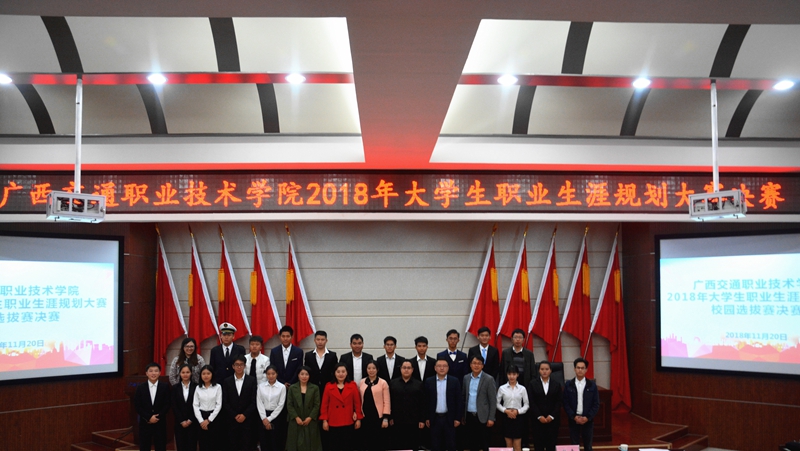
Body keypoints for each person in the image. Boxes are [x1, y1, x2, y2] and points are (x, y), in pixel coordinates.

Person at [320, 363, 364, 451]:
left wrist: (358, 419)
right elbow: (324, 405)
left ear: (347, 373)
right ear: (334, 373)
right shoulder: (328, 386)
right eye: (338, 372)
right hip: (333, 421)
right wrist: (324, 420)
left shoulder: (352, 385)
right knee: (334, 446)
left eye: (343, 372)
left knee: (347, 446)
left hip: (348, 420)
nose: (341, 374)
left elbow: (357, 403)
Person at [424, 358, 463, 451]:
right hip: (434, 418)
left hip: (449, 418)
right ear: (435, 368)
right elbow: (426, 401)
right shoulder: (429, 381)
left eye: (444, 366)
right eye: (439, 366)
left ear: (448, 368)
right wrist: (427, 417)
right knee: (435, 445)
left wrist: (458, 418)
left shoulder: (454, 381)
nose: (442, 368)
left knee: (451, 445)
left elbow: (459, 401)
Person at [222, 355, 258, 451]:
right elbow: (225, 402)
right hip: (231, 420)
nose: (239, 367)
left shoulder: (252, 380)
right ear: (233, 366)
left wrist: (244, 415)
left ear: (245, 366)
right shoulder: (227, 381)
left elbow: (254, 401)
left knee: (246, 445)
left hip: (247, 420)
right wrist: (235, 415)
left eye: (241, 364)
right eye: (236, 365)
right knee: (232, 445)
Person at [461, 355, 497, 451]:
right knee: (472, 444)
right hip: (469, 416)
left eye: (479, 363)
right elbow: (464, 397)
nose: (476, 365)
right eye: (474, 363)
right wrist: (463, 415)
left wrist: (491, 418)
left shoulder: (489, 379)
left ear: (482, 365)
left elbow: (493, 400)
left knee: (485, 444)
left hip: (483, 417)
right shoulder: (466, 378)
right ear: (470, 365)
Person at [563, 357, 599, 451]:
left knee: (588, 446)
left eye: (582, 368)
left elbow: (596, 404)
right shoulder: (569, 384)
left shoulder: (592, 385)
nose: (580, 370)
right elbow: (565, 403)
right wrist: (573, 416)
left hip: (587, 420)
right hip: (573, 420)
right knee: (574, 446)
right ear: (574, 369)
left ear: (586, 370)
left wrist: (588, 417)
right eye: (578, 368)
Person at [389, 360, 426, 451]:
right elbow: (390, 402)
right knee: (398, 445)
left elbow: (423, 403)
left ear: (412, 370)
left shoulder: (419, 384)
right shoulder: (393, 383)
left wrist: (422, 420)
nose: (406, 370)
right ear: (400, 369)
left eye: (409, 368)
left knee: (413, 445)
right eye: (404, 368)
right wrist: (390, 417)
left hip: (414, 421)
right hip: (397, 420)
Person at [134, 362, 170, 451]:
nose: (153, 373)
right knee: (144, 447)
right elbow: (138, 406)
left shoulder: (165, 387)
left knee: (161, 447)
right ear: (146, 373)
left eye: (156, 371)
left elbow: (167, 404)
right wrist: (149, 417)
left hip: (160, 423)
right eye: (151, 371)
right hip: (145, 423)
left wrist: (158, 416)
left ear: (160, 373)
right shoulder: (140, 388)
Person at [286, 366, 323, 451]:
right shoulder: (292, 388)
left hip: (310, 420)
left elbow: (317, 405)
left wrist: (310, 417)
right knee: (295, 444)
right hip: (296, 420)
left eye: (306, 374)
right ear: (298, 375)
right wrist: (296, 417)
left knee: (311, 444)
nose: (304, 376)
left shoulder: (315, 388)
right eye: (302, 374)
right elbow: (289, 405)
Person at [528, 361, 562, 451]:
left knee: (551, 446)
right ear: (539, 370)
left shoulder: (556, 384)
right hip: (537, 421)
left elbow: (558, 402)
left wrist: (551, 416)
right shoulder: (532, 384)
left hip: (552, 421)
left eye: (547, 369)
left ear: (550, 370)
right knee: (538, 446)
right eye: (542, 369)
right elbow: (531, 401)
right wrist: (539, 416)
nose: (544, 371)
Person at [359, 361, 392, 451]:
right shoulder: (362, 382)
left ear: (377, 369)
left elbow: (387, 401)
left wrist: (385, 418)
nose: (371, 370)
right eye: (369, 368)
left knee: (378, 441)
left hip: (378, 417)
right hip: (365, 416)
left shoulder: (383, 382)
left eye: (373, 368)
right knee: (366, 441)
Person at [496, 365, 530, 451]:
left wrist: (518, 411)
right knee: (509, 446)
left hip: (518, 418)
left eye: (514, 374)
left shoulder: (522, 389)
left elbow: (526, 404)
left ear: (517, 375)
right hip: (506, 417)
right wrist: (505, 411)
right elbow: (497, 403)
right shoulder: (502, 388)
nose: (511, 376)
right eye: (509, 374)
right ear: (507, 374)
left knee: (517, 445)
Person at [257, 365, 288, 451]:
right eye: (268, 374)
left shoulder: (282, 387)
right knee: (264, 441)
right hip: (263, 415)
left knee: (276, 441)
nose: (271, 376)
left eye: (273, 374)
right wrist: (264, 418)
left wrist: (269, 419)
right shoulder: (261, 386)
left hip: (276, 416)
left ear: (277, 374)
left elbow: (281, 404)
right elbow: (259, 402)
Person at [194, 365, 223, 451]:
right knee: (203, 443)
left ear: (212, 374)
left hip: (214, 417)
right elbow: (195, 405)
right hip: (201, 417)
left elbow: (219, 405)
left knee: (214, 443)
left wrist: (209, 420)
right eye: (203, 374)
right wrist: (201, 421)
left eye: (208, 373)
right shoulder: (198, 388)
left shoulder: (218, 387)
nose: (206, 376)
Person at [171, 364, 199, 451]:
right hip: (180, 422)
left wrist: (190, 420)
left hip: (193, 422)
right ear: (179, 373)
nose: (185, 374)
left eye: (187, 372)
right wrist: (182, 420)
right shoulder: (175, 388)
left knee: (192, 446)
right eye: (183, 372)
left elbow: (198, 405)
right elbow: (174, 405)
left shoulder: (197, 387)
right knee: (181, 446)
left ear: (191, 373)